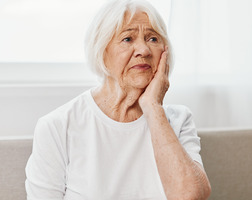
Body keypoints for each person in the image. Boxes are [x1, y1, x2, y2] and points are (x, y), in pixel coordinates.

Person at [25, 0, 211, 199]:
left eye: (153, 39)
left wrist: (153, 107)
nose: (144, 50)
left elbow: (190, 196)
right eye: (128, 39)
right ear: (102, 51)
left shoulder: (179, 120)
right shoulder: (57, 126)